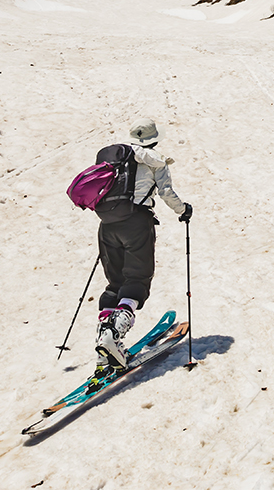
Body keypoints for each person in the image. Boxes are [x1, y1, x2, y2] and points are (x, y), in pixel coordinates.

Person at [92, 118, 192, 371]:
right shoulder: (155, 160)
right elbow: (166, 193)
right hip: (137, 223)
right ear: (154, 138)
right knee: (136, 280)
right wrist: (184, 210)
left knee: (115, 284)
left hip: (107, 225)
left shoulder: (115, 159)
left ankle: (104, 346)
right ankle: (114, 332)